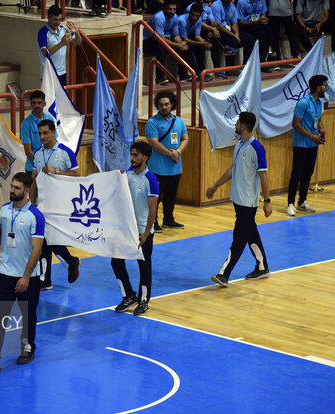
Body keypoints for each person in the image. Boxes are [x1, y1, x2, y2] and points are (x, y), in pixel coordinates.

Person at [0, 172, 45, 372]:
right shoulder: (4, 211)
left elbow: (36, 250)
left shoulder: (36, 216)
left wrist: (25, 276)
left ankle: (27, 350)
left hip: (27, 277)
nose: (12, 191)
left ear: (27, 191)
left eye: (17, 188)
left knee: (28, 316)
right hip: (4, 273)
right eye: (11, 187)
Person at [206, 111, 272, 287]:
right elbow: (232, 170)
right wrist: (215, 185)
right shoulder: (239, 144)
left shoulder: (257, 148)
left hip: (248, 202)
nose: (235, 125)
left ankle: (224, 274)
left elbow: (264, 176)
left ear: (243, 126)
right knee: (251, 233)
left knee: (239, 237)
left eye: (237, 123)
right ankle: (262, 266)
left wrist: (267, 201)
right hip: (238, 200)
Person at [30, 119, 81, 290]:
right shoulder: (37, 153)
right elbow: (34, 180)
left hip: (60, 205)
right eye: (40, 134)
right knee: (43, 240)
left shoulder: (65, 152)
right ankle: (47, 278)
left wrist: (56, 171)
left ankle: (69, 262)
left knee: (49, 240)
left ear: (54, 133)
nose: (42, 137)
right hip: (42, 205)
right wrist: (31, 202)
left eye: (45, 133)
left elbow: (77, 176)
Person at [112, 141, 159, 316]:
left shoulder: (151, 180)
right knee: (116, 261)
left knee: (144, 266)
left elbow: (153, 210)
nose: (131, 158)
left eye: (135, 155)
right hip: (125, 229)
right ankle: (129, 296)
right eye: (131, 155)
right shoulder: (128, 175)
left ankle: (144, 301)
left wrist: (146, 233)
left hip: (141, 231)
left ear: (145, 158)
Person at [145, 91, 188, 232]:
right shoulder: (152, 122)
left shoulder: (179, 121)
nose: (164, 107)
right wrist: (171, 154)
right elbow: (153, 143)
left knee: (171, 196)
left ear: (172, 105)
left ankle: (168, 219)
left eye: (166, 104)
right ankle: (153, 222)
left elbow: (185, 138)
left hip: (175, 168)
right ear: (157, 106)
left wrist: (178, 152)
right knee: (155, 197)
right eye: (161, 105)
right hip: (157, 168)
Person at [287, 75, 328, 216]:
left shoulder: (318, 103)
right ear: (318, 88)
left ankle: (302, 201)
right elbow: (295, 124)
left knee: (308, 173)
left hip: (313, 144)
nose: (326, 88)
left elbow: (318, 120)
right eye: (324, 85)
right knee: (297, 174)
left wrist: (321, 129)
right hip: (301, 144)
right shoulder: (303, 103)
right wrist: (312, 136)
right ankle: (290, 203)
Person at [143, 0, 186, 85]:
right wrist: (178, 44)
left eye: (174, 9)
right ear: (164, 8)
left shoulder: (175, 17)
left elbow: (176, 35)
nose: (172, 11)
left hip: (159, 40)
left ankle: (183, 75)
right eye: (170, 9)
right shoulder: (158, 17)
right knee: (161, 48)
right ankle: (160, 78)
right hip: (146, 41)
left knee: (181, 48)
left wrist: (181, 44)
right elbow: (161, 39)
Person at [37, 5, 82, 86]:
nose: (57, 23)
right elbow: (45, 53)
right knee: (51, 99)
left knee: (62, 98)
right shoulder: (43, 32)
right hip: (48, 73)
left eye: (60, 20)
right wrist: (61, 43)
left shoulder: (63, 30)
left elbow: (78, 42)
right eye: (55, 20)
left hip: (62, 72)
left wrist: (76, 32)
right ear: (48, 18)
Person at [211, 0, 253, 75]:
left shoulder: (232, 6)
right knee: (233, 41)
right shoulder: (216, 5)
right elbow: (219, 25)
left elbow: (234, 23)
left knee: (249, 38)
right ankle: (229, 69)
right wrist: (234, 36)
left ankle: (245, 66)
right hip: (219, 31)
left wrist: (237, 34)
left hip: (229, 31)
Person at [20, 90, 56, 173]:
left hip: (49, 166)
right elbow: (28, 152)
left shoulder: (50, 119)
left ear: (44, 103)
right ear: (30, 104)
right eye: (34, 103)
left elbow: (54, 141)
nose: (37, 105)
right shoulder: (25, 124)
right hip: (32, 168)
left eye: (39, 103)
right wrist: (40, 166)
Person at [177, 3, 213, 82]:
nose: (194, 18)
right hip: (177, 38)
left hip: (188, 37)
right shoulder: (182, 20)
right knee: (187, 49)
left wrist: (204, 42)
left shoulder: (198, 20)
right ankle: (197, 73)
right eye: (193, 15)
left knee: (200, 47)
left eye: (197, 16)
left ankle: (202, 71)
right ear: (189, 13)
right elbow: (184, 39)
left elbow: (197, 36)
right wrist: (200, 43)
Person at [236, 0, 272, 66]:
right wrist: (257, 22)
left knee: (265, 33)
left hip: (258, 24)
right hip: (246, 26)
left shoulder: (262, 0)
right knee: (250, 39)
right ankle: (246, 65)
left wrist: (263, 19)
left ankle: (263, 62)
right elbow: (241, 22)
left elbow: (263, 13)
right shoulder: (241, 2)